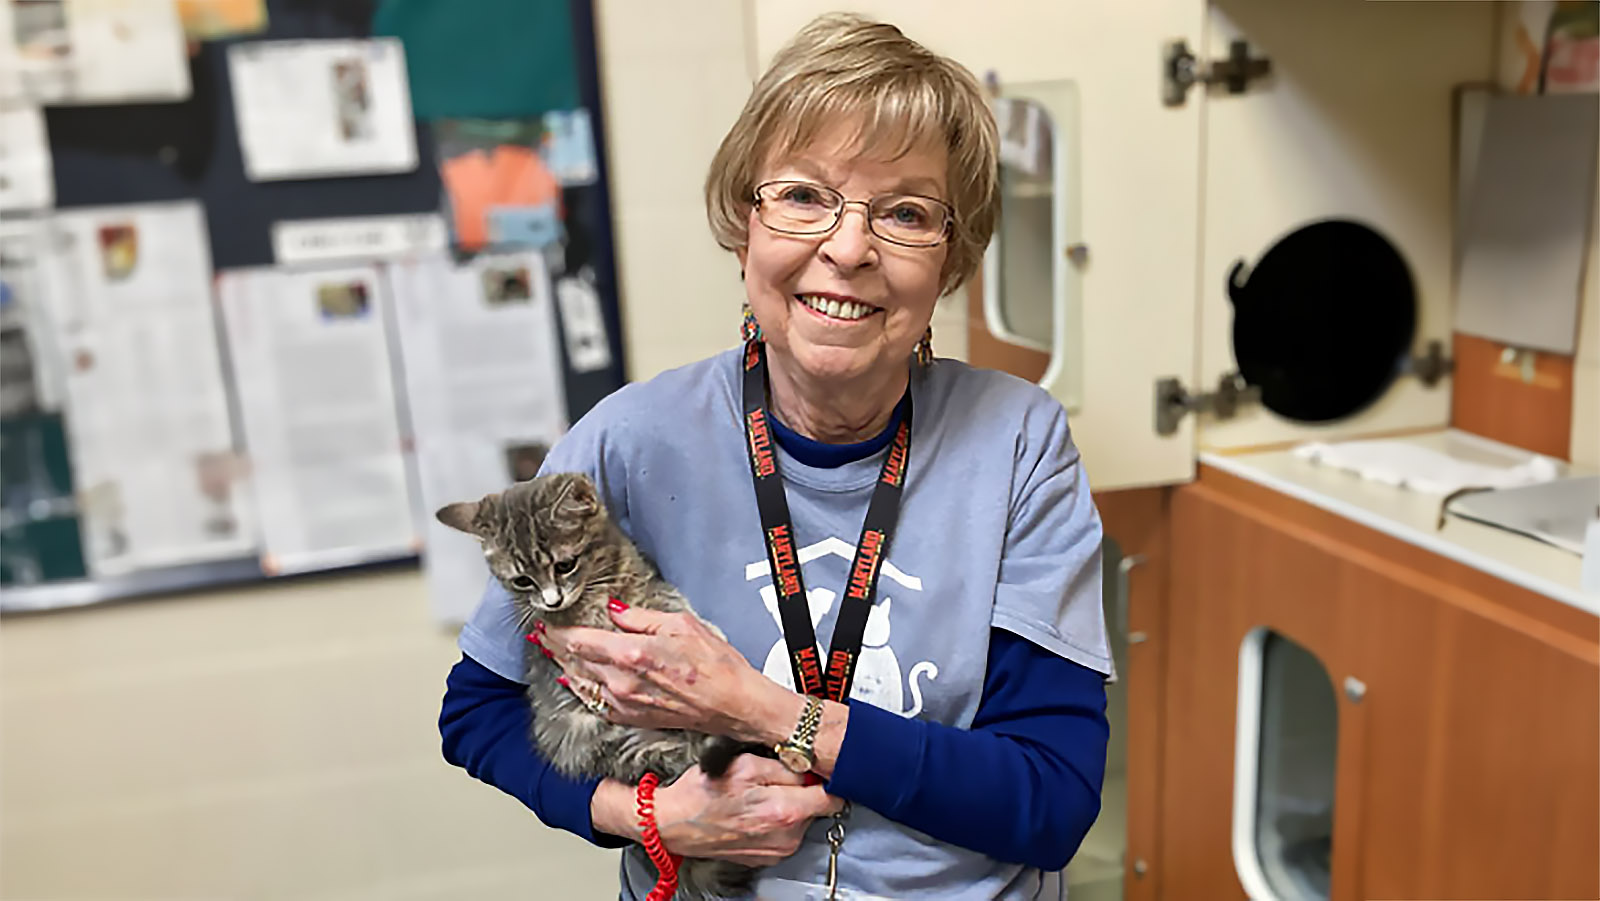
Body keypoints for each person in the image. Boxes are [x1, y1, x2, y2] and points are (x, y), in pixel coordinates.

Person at [439, 13, 1112, 900]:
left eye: (906, 212)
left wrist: (757, 708)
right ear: (742, 225)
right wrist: (651, 817)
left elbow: (1051, 799)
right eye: (803, 196)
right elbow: (478, 711)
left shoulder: (1017, 442)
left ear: (951, 260)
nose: (847, 248)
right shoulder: (629, 442)